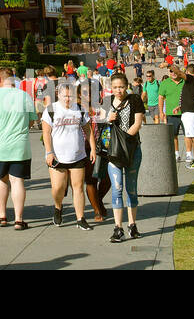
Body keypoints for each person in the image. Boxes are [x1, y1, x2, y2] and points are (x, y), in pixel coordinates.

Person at [0, 67, 37, 229]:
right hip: (19, 145)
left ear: (0, 80)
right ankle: (18, 219)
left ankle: (2, 216)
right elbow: (31, 121)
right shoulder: (24, 96)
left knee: (1, 180)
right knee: (17, 181)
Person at [41, 80, 94, 230]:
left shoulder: (80, 109)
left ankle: (80, 218)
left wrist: (93, 149)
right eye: (65, 96)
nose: (68, 99)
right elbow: (46, 132)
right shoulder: (51, 110)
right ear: (59, 95)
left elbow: (88, 130)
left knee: (78, 188)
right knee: (58, 187)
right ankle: (58, 207)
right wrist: (49, 152)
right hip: (57, 156)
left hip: (77, 155)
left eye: (70, 96)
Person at [103, 72, 145, 242]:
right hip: (113, 153)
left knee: (131, 190)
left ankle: (132, 224)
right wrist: (108, 118)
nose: (118, 90)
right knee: (117, 188)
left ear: (126, 86)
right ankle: (118, 227)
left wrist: (126, 140)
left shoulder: (134, 100)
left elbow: (138, 123)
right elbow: (100, 125)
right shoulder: (107, 102)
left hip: (132, 149)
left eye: (121, 87)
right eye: (115, 87)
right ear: (110, 88)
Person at [158, 63, 186, 162]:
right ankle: (176, 153)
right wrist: (161, 112)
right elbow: (161, 98)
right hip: (171, 113)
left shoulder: (184, 81)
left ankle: (189, 154)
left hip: (186, 113)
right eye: (171, 71)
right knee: (174, 135)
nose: (173, 73)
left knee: (188, 135)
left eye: (175, 71)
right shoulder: (165, 83)